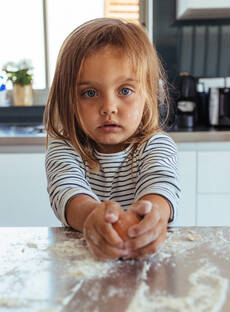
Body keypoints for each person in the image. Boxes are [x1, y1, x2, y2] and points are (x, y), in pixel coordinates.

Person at [44, 18, 181, 260]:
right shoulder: (65, 148)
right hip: (84, 262)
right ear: (68, 99)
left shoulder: (156, 146)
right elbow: (67, 191)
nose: (108, 107)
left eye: (125, 91)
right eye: (89, 93)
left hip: (145, 258)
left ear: (147, 94)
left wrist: (151, 216)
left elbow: (162, 188)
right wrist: (92, 218)